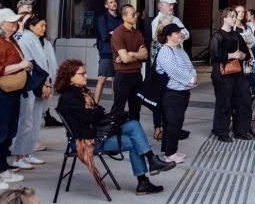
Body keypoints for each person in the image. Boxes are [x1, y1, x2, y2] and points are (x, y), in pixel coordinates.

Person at [54, 59, 174, 195]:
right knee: (136, 141)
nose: (86, 76)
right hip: (87, 141)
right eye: (82, 74)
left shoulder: (82, 93)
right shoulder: (68, 98)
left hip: (95, 132)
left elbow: (94, 114)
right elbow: (91, 116)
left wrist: (99, 113)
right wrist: (98, 112)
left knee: (133, 124)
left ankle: (150, 165)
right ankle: (145, 178)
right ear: (70, 78)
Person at [0, 8, 32, 190]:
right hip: (0, 91)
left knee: (8, 132)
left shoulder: (7, 40)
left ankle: (1, 168)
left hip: (10, 91)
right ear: (0, 24)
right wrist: (21, 65)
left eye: (15, 21)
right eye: (11, 22)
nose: (15, 24)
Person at [10, 15, 58, 169]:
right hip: (31, 84)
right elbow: (32, 65)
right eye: (41, 25)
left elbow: (50, 64)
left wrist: (49, 84)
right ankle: (19, 156)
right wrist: (44, 82)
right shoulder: (25, 40)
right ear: (31, 26)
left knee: (36, 120)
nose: (44, 28)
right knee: (26, 120)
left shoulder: (44, 42)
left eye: (45, 26)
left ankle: (29, 153)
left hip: (44, 84)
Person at [209, 8, 252, 142]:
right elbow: (214, 55)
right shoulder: (218, 36)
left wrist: (243, 55)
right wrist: (232, 55)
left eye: (235, 16)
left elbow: (247, 53)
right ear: (224, 18)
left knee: (244, 99)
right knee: (224, 102)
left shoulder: (236, 35)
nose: (234, 18)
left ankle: (241, 130)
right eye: (231, 16)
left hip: (237, 71)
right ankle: (221, 131)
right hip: (222, 72)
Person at [154, 24, 196, 164]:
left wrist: (193, 77)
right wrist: (189, 80)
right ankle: (170, 154)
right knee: (174, 122)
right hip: (171, 93)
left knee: (173, 122)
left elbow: (190, 66)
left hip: (183, 91)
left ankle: (169, 149)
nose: (180, 34)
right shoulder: (165, 50)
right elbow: (173, 70)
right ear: (168, 36)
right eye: (176, 33)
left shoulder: (179, 50)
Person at [111, 4, 148, 121]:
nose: (136, 16)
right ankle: (115, 135)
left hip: (137, 75)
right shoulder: (118, 33)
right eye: (132, 14)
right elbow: (125, 59)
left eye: (136, 14)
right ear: (124, 17)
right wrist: (137, 55)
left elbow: (145, 55)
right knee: (118, 109)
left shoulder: (138, 33)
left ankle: (134, 134)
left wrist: (131, 54)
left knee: (136, 109)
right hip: (123, 75)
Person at [94, 0, 122, 104]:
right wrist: (117, 33)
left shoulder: (120, 17)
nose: (114, 4)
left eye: (115, 1)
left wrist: (112, 32)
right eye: (111, 2)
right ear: (106, 5)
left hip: (119, 52)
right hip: (106, 51)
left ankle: (116, 107)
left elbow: (124, 33)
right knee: (102, 79)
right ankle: (95, 105)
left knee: (116, 82)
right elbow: (105, 35)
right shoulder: (103, 18)